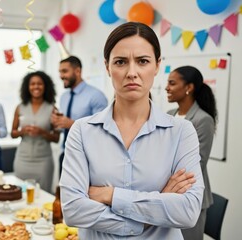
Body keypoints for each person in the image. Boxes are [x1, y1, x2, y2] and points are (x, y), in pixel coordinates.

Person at [60, 22, 204, 239]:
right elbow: (73, 210)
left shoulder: (181, 131)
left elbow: (187, 211)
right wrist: (157, 205)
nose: (132, 72)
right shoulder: (82, 131)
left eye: (143, 61)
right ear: (107, 67)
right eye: (120, 62)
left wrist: (111, 195)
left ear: (157, 66)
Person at [166, 66, 217, 240]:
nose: (167, 88)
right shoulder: (169, 115)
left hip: (189, 196)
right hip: (167, 195)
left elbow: (197, 164)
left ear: (189, 87)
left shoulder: (203, 120)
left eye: (172, 83)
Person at [50, 56, 108, 177]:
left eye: (64, 71)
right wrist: (56, 123)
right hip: (65, 154)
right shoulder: (64, 97)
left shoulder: (96, 96)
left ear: (77, 71)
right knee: (63, 194)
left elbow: (103, 130)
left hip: (87, 158)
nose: (61, 76)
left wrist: (71, 124)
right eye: (60, 72)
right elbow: (63, 127)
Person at [11, 71, 59, 192]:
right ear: (27, 87)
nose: (36, 86)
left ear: (45, 86)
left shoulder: (52, 108)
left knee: (43, 195)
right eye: (32, 84)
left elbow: (56, 138)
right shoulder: (20, 107)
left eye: (39, 84)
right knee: (19, 194)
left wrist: (42, 132)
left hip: (43, 162)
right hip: (22, 160)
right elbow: (13, 133)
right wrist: (23, 132)